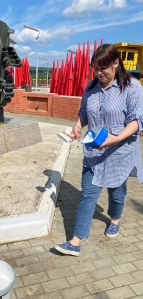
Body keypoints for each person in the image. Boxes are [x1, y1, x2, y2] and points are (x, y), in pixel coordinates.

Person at [54, 44, 143, 257]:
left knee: (117, 193)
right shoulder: (91, 88)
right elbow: (84, 112)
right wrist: (78, 126)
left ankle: (114, 219)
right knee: (88, 194)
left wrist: (116, 138)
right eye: (96, 68)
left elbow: (137, 120)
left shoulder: (131, 87)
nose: (99, 73)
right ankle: (76, 242)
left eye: (103, 68)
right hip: (94, 151)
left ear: (115, 63)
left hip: (120, 152)